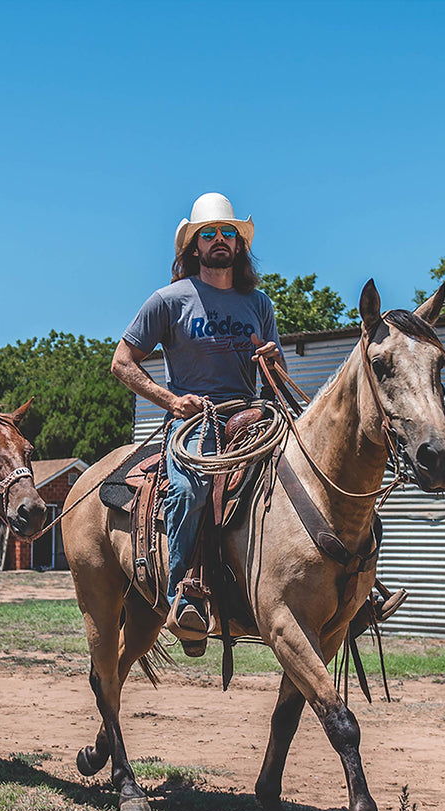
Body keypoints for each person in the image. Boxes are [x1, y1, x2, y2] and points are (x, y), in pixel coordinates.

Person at [111, 192, 285, 644]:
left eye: (228, 232)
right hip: (195, 421)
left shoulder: (259, 304)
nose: (220, 240)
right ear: (194, 246)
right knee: (190, 490)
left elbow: (277, 375)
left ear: (239, 245)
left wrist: (272, 361)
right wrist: (170, 401)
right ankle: (183, 597)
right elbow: (122, 362)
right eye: (209, 233)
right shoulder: (169, 300)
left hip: (250, 417)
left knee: (307, 475)